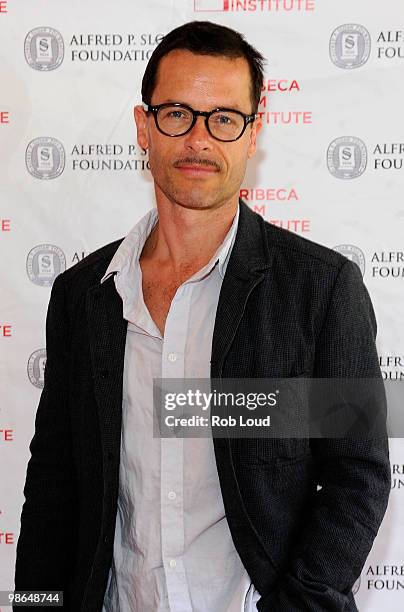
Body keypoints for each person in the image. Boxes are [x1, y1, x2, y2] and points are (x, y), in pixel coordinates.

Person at [14, 20, 391, 612]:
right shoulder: (82, 296)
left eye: (223, 118)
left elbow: (358, 476)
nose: (198, 139)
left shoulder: (322, 290)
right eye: (177, 114)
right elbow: (55, 481)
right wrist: (36, 605)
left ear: (252, 134)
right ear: (144, 127)